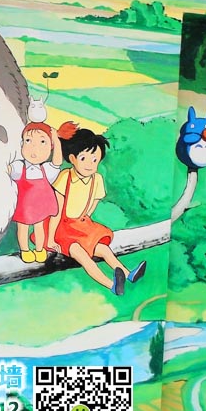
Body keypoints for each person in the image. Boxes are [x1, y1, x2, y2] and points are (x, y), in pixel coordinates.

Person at [47, 122, 146, 295]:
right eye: (84, 159)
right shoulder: (65, 177)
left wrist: (84, 219)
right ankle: (112, 285)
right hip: (62, 229)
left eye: (95, 160)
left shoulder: (97, 179)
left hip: (82, 225)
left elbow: (93, 203)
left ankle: (128, 274)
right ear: (72, 158)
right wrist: (50, 239)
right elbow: (56, 211)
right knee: (82, 255)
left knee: (104, 249)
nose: (90, 164)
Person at [9, 122, 62, 263]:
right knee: (23, 227)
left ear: (50, 147)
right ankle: (25, 250)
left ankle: (39, 249)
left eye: (42, 142)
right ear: (21, 144)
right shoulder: (19, 167)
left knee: (39, 227)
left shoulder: (46, 169)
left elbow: (57, 162)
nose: (34, 147)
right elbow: (7, 170)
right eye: (28, 141)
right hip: (24, 206)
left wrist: (57, 141)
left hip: (40, 206)